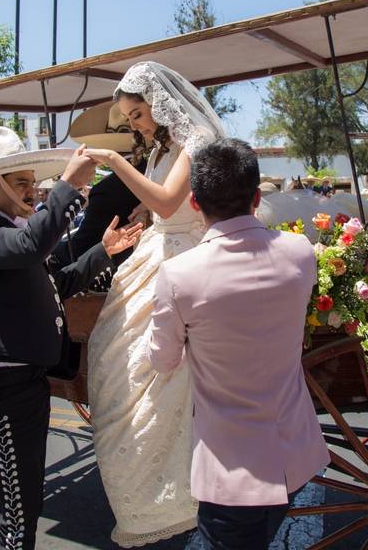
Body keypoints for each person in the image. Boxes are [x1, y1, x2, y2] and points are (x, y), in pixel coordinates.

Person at [0, 126, 142, 550]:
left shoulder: (7, 228)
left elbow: (57, 285)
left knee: (25, 501)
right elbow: (32, 247)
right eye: (22, 184)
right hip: (0, 387)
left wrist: (103, 250)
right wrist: (70, 184)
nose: (32, 192)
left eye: (33, 183)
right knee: (17, 511)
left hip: (25, 382)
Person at [147, 138, 329, 549]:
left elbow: (162, 360)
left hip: (231, 472)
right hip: (293, 455)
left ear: (194, 202)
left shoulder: (179, 275)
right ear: (256, 197)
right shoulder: (300, 252)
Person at [82, 61, 225, 546]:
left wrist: (115, 163)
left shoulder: (196, 138)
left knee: (154, 375)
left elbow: (170, 203)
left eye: (138, 114)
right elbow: (162, 205)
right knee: (111, 362)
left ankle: (167, 496)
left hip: (182, 258)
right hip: (156, 250)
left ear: (159, 103)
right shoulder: (166, 143)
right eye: (131, 120)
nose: (137, 125)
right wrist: (140, 212)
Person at [53, 103, 148, 272]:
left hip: (121, 271)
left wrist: (49, 254)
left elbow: (80, 248)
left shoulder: (106, 190)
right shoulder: (157, 172)